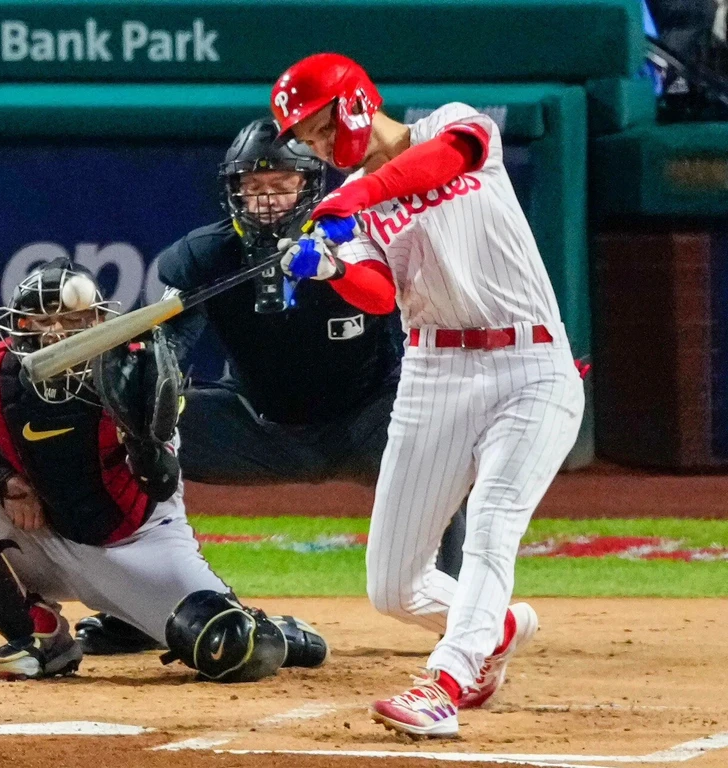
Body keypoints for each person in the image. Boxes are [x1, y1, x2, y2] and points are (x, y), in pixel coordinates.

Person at [271, 53, 584, 737]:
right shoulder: (352, 206)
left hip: (531, 364)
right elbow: (380, 295)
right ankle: (491, 627)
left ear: (354, 102)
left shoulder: (451, 126)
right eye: (309, 139)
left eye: (321, 128)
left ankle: (445, 679)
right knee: (393, 584)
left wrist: (355, 199)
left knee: (493, 525)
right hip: (434, 374)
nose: (320, 146)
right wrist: (328, 263)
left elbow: (445, 161)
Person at [73, 118, 468, 655]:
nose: (265, 200)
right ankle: (144, 607)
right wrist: (139, 387)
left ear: (309, 186)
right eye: (252, 187)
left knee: (441, 435)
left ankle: (461, 614)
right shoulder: (203, 257)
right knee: (128, 431)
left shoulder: (362, 244)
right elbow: (164, 348)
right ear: (232, 191)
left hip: (371, 424)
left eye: (280, 185)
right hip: (256, 428)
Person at [0, 257, 328, 683]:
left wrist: (140, 434)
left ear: (99, 321)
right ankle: (40, 637)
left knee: (230, 647)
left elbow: (160, 482)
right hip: (45, 532)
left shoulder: (139, 368)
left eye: (72, 320)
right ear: (19, 327)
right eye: (41, 322)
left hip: (137, 543)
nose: (56, 335)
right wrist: (11, 482)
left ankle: (274, 634)